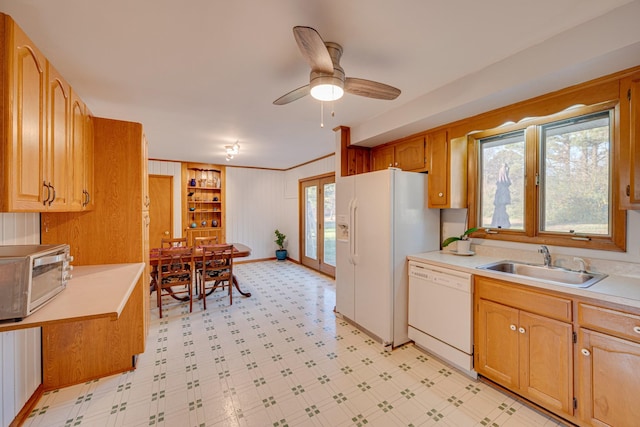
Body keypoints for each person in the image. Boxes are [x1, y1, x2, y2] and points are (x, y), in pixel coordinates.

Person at [491, 162, 511, 228]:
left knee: (501, 210)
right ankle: (499, 224)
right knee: (500, 210)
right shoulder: (502, 178)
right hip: (501, 197)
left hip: (501, 197)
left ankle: (501, 224)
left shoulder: (503, 183)